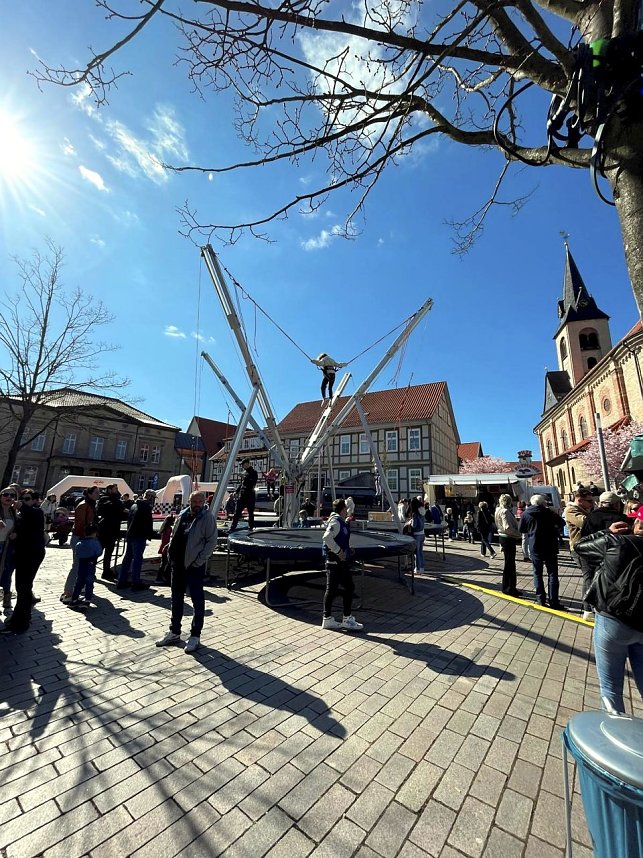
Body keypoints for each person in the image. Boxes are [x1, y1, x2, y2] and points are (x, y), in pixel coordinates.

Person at [575, 512, 643, 714]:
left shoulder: (617, 542)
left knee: (611, 688)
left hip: (613, 619)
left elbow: (580, 547)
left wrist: (607, 532)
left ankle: (615, 735)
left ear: (637, 523)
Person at [155, 491, 218, 654]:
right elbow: (175, 534)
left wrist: (199, 561)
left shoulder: (207, 518)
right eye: (193, 501)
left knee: (197, 600)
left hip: (193, 566)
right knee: (176, 599)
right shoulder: (183, 514)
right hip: (177, 564)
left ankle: (195, 635)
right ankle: (174, 632)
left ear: (204, 502)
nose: (196, 503)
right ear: (189, 501)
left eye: (199, 501)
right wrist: (169, 551)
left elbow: (211, 541)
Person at [1, 491, 46, 633]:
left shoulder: (37, 512)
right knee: (22, 588)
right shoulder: (20, 513)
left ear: (35, 501)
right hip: (22, 554)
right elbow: (24, 530)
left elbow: (32, 517)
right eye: (22, 499)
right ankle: (19, 618)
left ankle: (21, 622)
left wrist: (22, 506)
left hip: (32, 554)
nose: (23, 501)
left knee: (24, 588)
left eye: (27, 499)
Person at [321, 498, 363, 631]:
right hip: (335, 562)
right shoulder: (336, 521)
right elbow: (327, 537)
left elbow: (337, 538)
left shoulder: (339, 522)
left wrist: (347, 549)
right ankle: (343, 618)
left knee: (340, 588)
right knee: (344, 588)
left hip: (338, 561)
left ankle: (333, 618)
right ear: (343, 509)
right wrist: (339, 551)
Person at [519, 494, 566, 609]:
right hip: (550, 545)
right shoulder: (549, 512)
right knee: (552, 573)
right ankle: (553, 601)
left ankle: (540, 598)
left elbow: (521, 529)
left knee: (537, 573)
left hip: (535, 546)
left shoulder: (526, 513)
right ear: (542, 503)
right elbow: (562, 523)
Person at [61, 487, 99, 603]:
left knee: (82, 565)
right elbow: (80, 524)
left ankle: (78, 588)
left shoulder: (90, 505)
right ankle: (68, 591)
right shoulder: (83, 505)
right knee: (77, 565)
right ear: (89, 494)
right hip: (80, 538)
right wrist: (87, 536)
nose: (98, 494)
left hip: (86, 537)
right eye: (96, 492)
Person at [564, 487, 595, 619]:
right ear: (579, 500)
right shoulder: (571, 510)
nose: (591, 503)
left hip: (588, 547)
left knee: (592, 575)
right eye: (589, 501)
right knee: (588, 575)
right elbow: (584, 523)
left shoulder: (585, 509)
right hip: (579, 548)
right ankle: (587, 609)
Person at [117, 489, 156, 591]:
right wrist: (151, 534)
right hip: (139, 535)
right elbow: (148, 522)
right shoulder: (146, 507)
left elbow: (129, 520)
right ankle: (136, 582)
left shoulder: (134, 505)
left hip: (130, 534)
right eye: (153, 498)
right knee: (137, 559)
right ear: (150, 497)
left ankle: (121, 581)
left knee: (127, 558)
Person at [96, 484, 125, 582]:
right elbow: (107, 509)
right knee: (98, 552)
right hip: (104, 529)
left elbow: (121, 511)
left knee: (109, 552)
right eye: (115, 489)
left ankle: (106, 571)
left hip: (113, 529)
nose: (117, 490)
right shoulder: (104, 499)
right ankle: (91, 570)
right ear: (109, 489)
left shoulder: (116, 500)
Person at [494, 494, 521, 596]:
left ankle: (508, 587)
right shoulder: (505, 512)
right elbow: (507, 528)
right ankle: (510, 588)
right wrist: (518, 534)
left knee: (508, 564)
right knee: (510, 565)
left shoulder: (498, 510)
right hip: (508, 538)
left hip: (503, 537)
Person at [70, 524, 103, 607]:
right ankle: (87, 599)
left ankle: (74, 599)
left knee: (79, 583)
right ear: (94, 533)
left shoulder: (79, 543)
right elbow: (99, 552)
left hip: (82, 565)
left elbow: (77, 553)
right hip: (90, 564)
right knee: (89, 583)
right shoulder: (95, 543)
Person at [0, 487, 17, 611]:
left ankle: (7, 597)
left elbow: (19, 528)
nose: (8, 497)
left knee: (7, 571)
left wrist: (16, 534)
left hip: (8, 547)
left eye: (12, 495)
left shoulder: (14, 513)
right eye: (6, 494)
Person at [230, 458, 258, 531]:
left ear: (247, 464)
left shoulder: (254, 472)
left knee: (250, 512)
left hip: (250, 495)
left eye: (243, 464)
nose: (242, 466)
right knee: (237, 512)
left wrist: (245, 477)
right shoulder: (244, 472)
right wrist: (236, 491)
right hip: (242, 495)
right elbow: (242, 484)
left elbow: (252, 483)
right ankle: (232, 527)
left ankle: (251, 527)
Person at [156, 512, 176, 584]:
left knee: (164, 563)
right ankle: (162, 577)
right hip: (166, 548)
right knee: (166, 564)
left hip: (163, 547)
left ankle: (161, 577)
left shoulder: (164, 528)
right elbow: (168, 539)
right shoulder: (169, 529)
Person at [408, 496, 426, 572]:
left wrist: (410, 522)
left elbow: (414, 525)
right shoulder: (422, 512)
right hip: (422, 533)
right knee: (421, 551)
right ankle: (422, 567)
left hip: (416, 534)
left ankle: (417, 568)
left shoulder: (415, 514)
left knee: (416, 552)